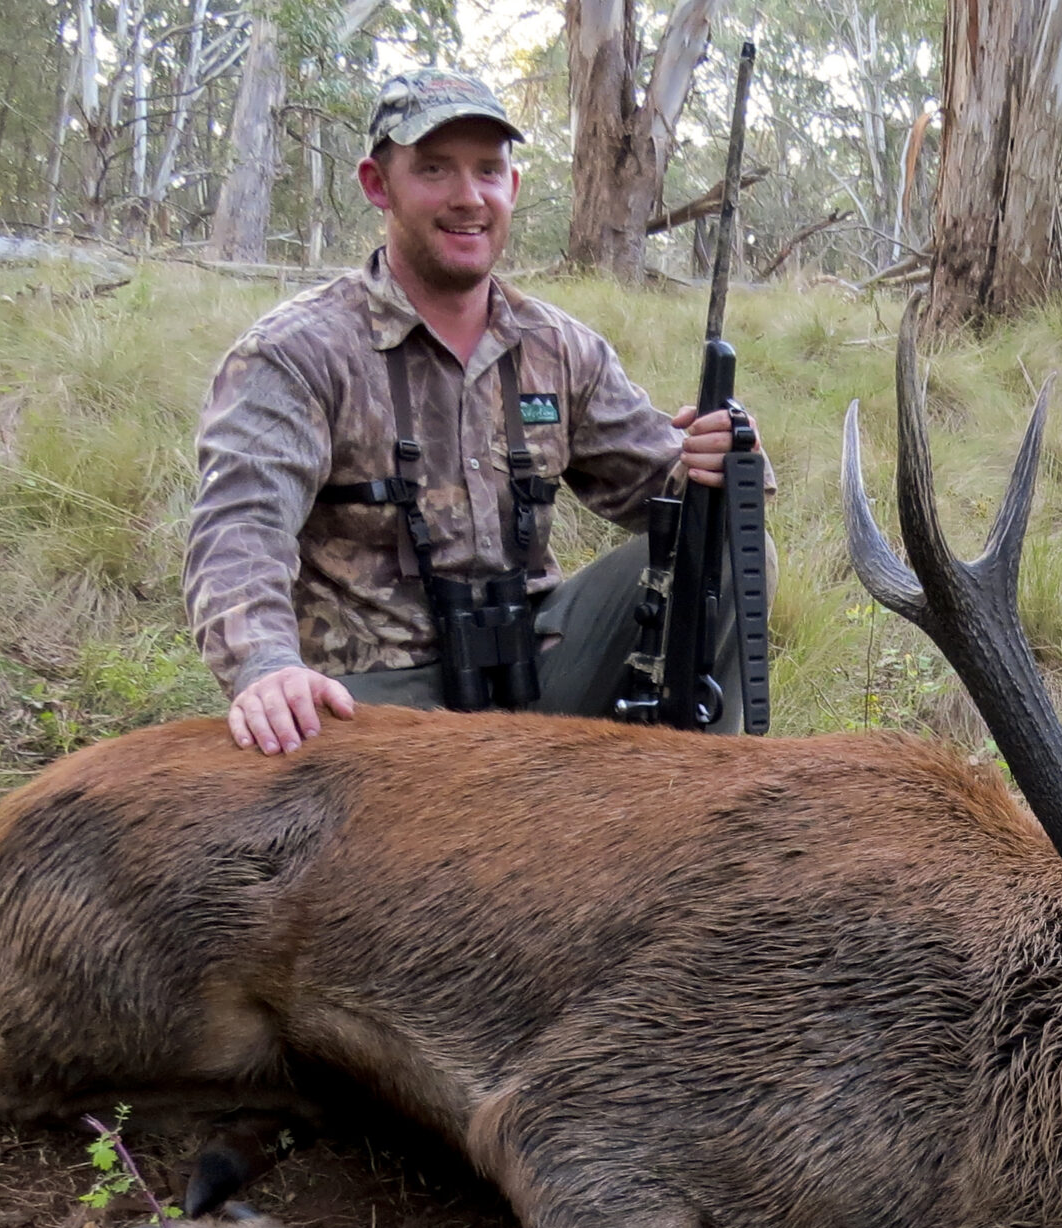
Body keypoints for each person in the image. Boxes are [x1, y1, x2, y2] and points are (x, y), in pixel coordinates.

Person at [184, 68, 759, 754]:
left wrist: (725, 460)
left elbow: (668, 494)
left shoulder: (558, 346)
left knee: (725, 542)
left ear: (512, 186)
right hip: (377, 693)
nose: (468, 198)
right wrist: (265, 665)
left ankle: (704, 792)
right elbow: (240, 527)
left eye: (488, 171)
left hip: (534, 666)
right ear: (378, 184)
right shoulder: (295, 353)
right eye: (434, 170)